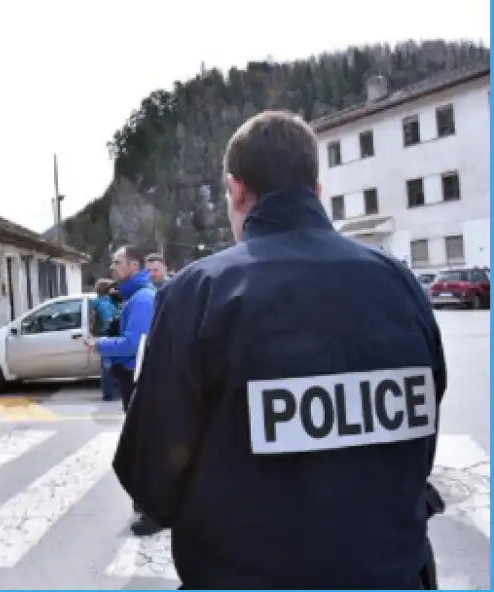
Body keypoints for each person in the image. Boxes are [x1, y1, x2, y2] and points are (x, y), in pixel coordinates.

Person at [112, 111, 447, 589]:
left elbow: (150, 477)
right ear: (318, 190)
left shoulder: (200, 292)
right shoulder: (400, 283)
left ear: (236, 190)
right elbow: (424, 429)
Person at [84, 245, 162, 536]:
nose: (112, 267)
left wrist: (99, 344)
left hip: (138, 381)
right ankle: (145, 505)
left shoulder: (141, 299)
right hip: (133, 380)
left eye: (117, 262)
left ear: (132, 265)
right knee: (140, 447)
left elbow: (133, 344)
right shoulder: (134, 296)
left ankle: (152, 510)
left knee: (142, 449)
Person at [90, 278, 120, 402]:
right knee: (108, 367)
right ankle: (110, 394)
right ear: (107, 289)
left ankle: (109, 393)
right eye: (113, 288)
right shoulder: (105, 304)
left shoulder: (101, 302)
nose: (115, 290)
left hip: (103, 335)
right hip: (107, 335)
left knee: (107, 366)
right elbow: (109, 320)